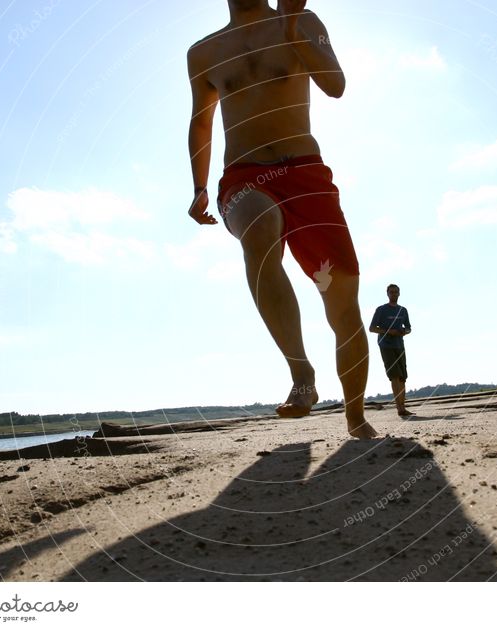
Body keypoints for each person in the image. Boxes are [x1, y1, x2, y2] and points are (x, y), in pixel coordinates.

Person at [186, 0, 378, 439]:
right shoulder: (203, 52)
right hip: (243, 177)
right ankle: (301, 374)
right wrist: (199, 187)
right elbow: (201, 122)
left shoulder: (304, 21)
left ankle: (356, 416)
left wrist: (291, 26)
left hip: (305, 171)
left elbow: (335, 83)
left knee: (341, 295)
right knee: (258, 228)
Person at [369, 284, 413, 417]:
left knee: (402, 377)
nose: (394, 294)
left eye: (396, 292)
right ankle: (399, 408)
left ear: (399, 294)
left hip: (400, 345)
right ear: (387, 294)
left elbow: (409, 328)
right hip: (386, 345)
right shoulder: (381, 310)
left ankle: (403, 407)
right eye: (391, 292)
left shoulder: (403, 310)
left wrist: (404, 332)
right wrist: (389, 332)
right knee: (394, 376)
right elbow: (372, 328)